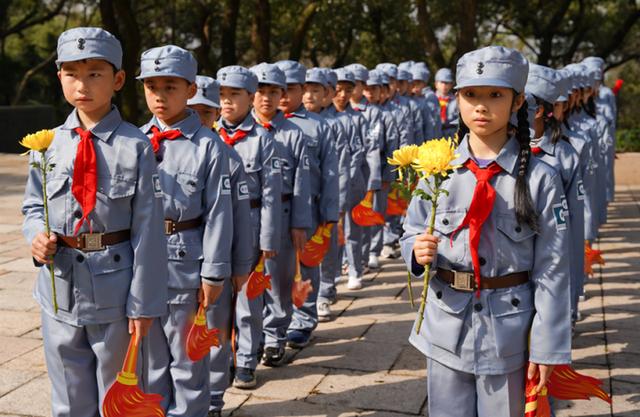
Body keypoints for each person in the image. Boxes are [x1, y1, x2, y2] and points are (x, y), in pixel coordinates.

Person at [401, 46, 571, 417]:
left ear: (517, 100)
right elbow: (411, 229)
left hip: (508, 335)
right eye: (470, 94)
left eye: (495, 95)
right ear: (457, 99)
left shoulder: (541, 177)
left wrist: (546, 347)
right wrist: (416, 251)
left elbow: (554, 267)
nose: (481, 106)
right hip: (446, 326)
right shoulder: (437, 168)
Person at [22, 27, 168, 417]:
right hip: (58, 287)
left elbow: (149, 232)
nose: (82, 84)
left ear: (118, 80)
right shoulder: (47, 143)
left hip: (114, 293)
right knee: (68, 397)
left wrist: (143, 304)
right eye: (71, 73)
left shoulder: (136, 146)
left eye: (94, 73)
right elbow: (33, 206)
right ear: (59, 79)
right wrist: (36, 237)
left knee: (115, 396)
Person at [138, 45, 233, 417]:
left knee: (187, 360)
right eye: (152, 86)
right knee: (150, 361)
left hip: (185, 265)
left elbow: (219, 214)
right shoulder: (136, 139)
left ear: (191, 90)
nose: (160, 96)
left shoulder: (210, 147)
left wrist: (213, 273)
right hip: (142, 266)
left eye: (171, 86)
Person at [185, 74, 254, 417]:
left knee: (213, 330)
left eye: (204, 112)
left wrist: (242, 266)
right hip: (167, 260)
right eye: (191, 110)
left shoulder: (227, 157)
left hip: (215, 259)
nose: (197, 119)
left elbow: (241, 219)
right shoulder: (152, 145)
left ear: (215, 116)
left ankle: (213, 397)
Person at [216, 65, 283, 389]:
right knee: (216, 299)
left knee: (247, 299)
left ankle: (246, 360)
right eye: (223, 95)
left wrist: (268, 236)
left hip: (251, 226)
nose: (227, 102)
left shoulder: (262, 140)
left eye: (235, 95)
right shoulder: (209, 135)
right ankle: (223, 360)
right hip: (215, 227)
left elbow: (271, 193)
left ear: (250, 97)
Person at [249, 62, 311, 366]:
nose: (266, 98)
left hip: (284, 214)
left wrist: (300, 222)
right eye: (260, 91)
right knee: (248, 279)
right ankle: (251, 338)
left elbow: (302, 183)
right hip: (246, 214)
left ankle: (275, 337)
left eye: (273, 91)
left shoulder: (293, 134)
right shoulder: (237, 132)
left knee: (278, 280)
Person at [274, 61, 340, 347]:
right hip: (270, 210)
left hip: (309, 207)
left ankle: (303, 319)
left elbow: (330, 174)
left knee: (306, 264)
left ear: (302, 89)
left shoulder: (319, 127)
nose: (285, 95)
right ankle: (274, 324)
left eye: (292, 89)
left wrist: (329, 214)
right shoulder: (262, 125)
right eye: (280, 89)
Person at [525, 64, 583, 326]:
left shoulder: (565, 155)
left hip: (547, 246)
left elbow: (571, 231)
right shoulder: (500, 148)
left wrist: (568, 302)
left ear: (538, 111)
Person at [302, 67, 351, 323]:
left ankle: (325, 291)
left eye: (315, 90)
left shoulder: (334, 125)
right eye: (305, 89)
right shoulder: (290, 123)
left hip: (325, 199)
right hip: (300, 202)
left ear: (327, 93)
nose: (309, 95)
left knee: (326, 246)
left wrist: (338, 203)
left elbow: (341, 168)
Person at [434, 68, 459, 138]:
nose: (444, 86)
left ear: (451, 84)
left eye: (447, 83)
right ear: (436, 84)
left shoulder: (456, 100)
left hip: (451, 133)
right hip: (434, 134)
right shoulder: (430, 100)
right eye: (442, 82)